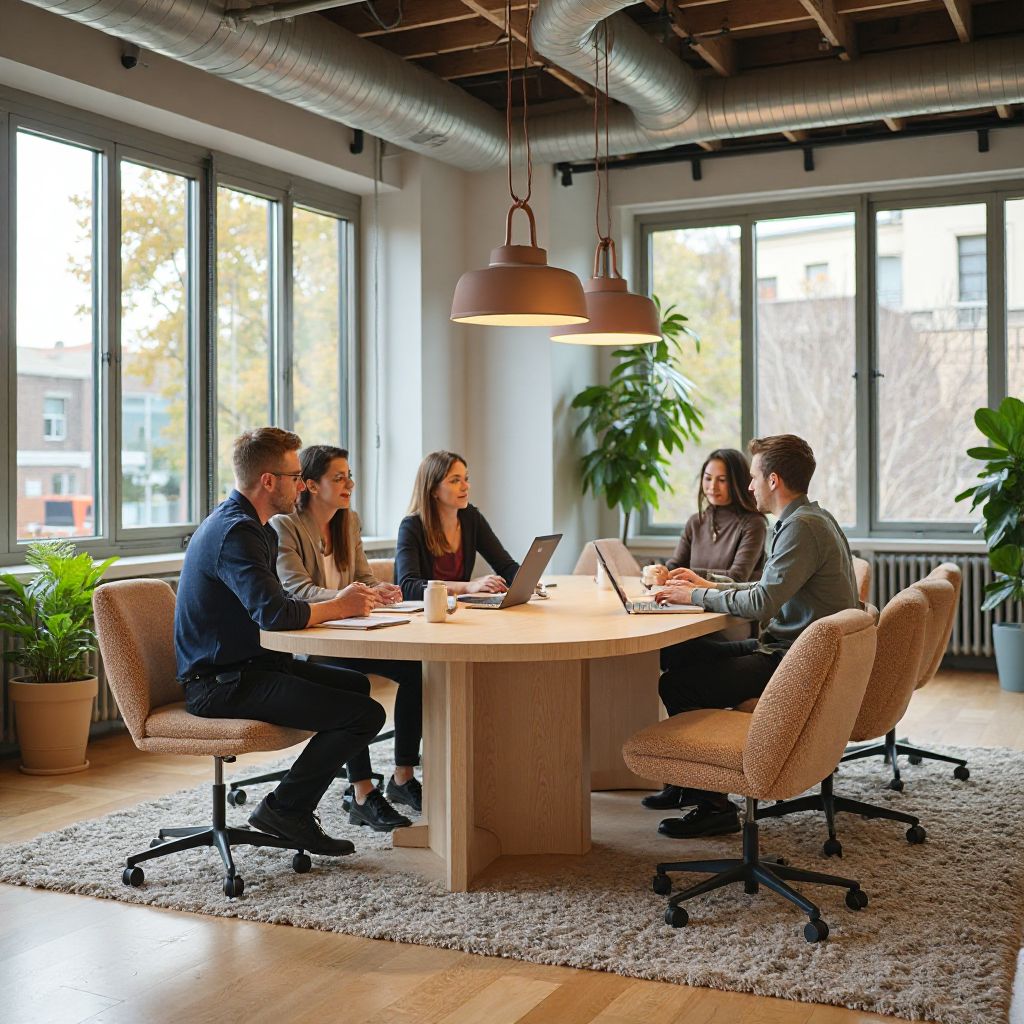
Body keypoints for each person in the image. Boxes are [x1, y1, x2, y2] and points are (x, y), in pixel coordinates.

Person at [174, 427, 388, 856]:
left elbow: (278, 603)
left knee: (356, 687)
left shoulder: (253, 528)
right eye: (294, 475)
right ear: (268, 481)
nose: (300, 483)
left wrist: (332, 606)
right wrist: (341, 607)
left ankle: (291, 804)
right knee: (365, 714)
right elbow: (273, 613)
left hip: (252, 666)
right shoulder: (236, 532)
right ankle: (285, 808)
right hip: (222, 684)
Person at [649, 434, 859, 839]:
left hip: (794, 662)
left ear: (774, 480)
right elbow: (767, 586)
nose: (749, 487)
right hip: (789, 648)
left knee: (679, 685)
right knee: (682, 652)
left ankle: (714, 807)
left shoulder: (800, 528)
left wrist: (695, 595)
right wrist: (705, 583)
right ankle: (686, 780)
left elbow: (762, 603)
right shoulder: (810, 518)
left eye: (754, 477)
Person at [271, 444, 420, 827]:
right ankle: (362, 792)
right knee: (353, 686)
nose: (349, 483)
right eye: (338, 477)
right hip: (315, 640)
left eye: (349, 476)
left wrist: (378, 590)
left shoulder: (347, 521)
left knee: (417, 671)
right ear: (309, 485)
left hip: (356, 633)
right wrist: (348, 598)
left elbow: (363, 578)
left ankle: (403, 777)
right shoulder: (284, 525)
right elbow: (296, 590)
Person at [641, 448, 768, 811]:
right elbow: (675, 564)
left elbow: (740, 579)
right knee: (673, 656)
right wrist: (661, 574)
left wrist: (697, 581)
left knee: (679, 667)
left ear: (740, 483)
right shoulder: (696, 521)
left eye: (722, 479)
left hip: (732, 624)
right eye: (708, 478)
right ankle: (685, 780)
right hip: (694, 620)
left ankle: (700, 789)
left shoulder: (752, 523)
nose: (713, 486)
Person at [395, 450, 519, 601]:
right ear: (433, 490)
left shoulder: (470, 517)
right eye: (455, 480)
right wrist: (468, 586)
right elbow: (408, 587)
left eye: (466, 479)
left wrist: (530, 582)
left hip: (459, 611)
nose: (465, 486)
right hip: (425, 616)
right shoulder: (411, 526)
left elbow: (505, 566)